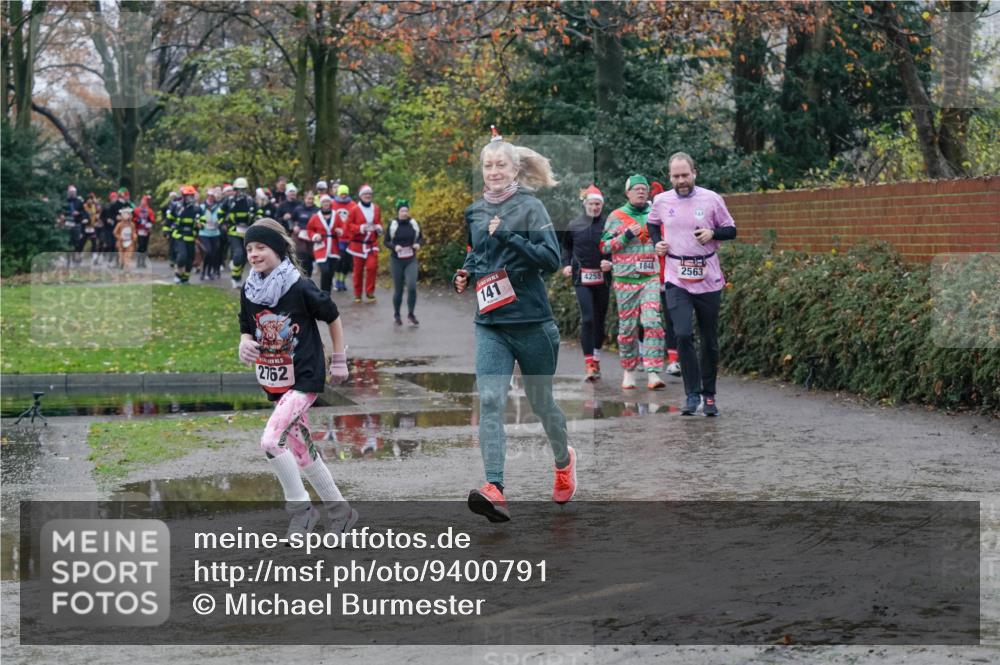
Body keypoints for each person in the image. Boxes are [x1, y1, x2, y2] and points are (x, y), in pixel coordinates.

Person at [452, 127, 576, 523]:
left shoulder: (529, 208)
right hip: (491, 323)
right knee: (489, 400)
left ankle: (563, 460)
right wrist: (466, 272)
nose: (493, 171)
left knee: (542, 405)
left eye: (500, 164)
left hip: (532, 321)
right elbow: (480, 255)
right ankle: (495, 488)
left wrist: (510, 236)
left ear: (515, 168)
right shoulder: (474, 211)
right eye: (487, 165)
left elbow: (551, 260)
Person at [237, 218, 357, 536]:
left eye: (260, 247)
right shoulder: (250, 290)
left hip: (304, 378)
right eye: (249, 248)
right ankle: (340, 512)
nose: (253, 254)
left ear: (277, 249)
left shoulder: (299, 286)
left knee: (270, 440)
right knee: (302, 451)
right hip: (276, 380)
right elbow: (246, 326)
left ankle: (301, 510)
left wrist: (340, 360)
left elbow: (332, 316)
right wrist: (244, 344)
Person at [651, 152, 737, 416]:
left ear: (694, 173)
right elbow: (653, 222)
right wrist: (658, 242)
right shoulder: (662, 200)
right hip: (677, 277)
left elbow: (731, 229)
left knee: (709, 339)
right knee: (684, 334)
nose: (681, 181)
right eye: (676, 176)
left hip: (708, 276)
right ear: (670, 177)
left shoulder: (711, 199)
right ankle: (691, 394)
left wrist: (713, 232)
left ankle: (709, 396)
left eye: (685, 175)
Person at [600, 175, 666, 391]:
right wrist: (625, 236)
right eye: (636, 189)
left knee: (652, 322)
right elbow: (604, 247)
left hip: (650, 278)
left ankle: (654, 372)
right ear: (627, 193)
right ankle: (629, 371)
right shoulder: (616, 216)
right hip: (625, 280)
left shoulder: (656, 214)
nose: (640, 192)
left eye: (644, 189)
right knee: (627, 327)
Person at [561, 185, 612, 381]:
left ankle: (596, 359)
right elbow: (566, 247)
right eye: (591, 203)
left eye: (598, 204)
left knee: (599, 320)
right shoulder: (574, 225)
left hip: (602, 279)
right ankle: (589, 363)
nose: (595, 207)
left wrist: (612, 262)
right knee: (588, 318)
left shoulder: (608, 225)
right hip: (580, 278)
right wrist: (566, 264)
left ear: (602, 205)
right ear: (585, 204)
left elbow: (617, 248)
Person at [385, 198, 422, 325]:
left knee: (412, 286)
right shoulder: (393, 224)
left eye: (406, 210)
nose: (404, 213)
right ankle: (397, 314)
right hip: (397, 260)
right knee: (399, 290)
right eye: (402, 211)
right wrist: (394, 247)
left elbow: (420, 237)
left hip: (411, 259)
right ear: (398, 212)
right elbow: (386, 241)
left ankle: (411, 314)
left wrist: (418, 244)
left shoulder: (413, 223)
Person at [347, 184, 382, 303]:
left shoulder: (376, 208)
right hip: (358, 245)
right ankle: (358, 294)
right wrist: (361, 228)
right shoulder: (354, 209)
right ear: (361, 196)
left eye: (369, 194)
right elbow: (349, 226)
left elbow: (378, 222)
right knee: (358, 270)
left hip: (371, 244)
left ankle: (370, 292)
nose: (368, 196)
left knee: (372, 267)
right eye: (365, 194)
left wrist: (378, 227)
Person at [307, 194, 345, 294]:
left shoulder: (336, 215)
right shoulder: (315, 217)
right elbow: (309, 230)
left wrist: (340, 230)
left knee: (331, 272)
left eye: (328, 202)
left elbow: (342, 227)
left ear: (330, 203)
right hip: (321, 247)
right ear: (321, 204)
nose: (326, 204)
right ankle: (323, 294)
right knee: (325, 270)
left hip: (333, 248)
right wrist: (315, 236)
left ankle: (327, 294)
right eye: (324, 202)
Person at [224, 177, 255, 288]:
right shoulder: (229, 201)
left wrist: (256, 219)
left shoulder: (250, 201)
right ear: (235, 189)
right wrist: (223, 223)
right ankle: (235, 278)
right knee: (238, 254)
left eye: (243, 190)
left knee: (244, 258)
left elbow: (258, 212)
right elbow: (220, 213)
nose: (241, 192)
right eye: (239, 189)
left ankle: (238, 276)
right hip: (234, 232)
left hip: (247, 233)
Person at [172, 185, 202, 284]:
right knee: (182, 256)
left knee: (190, 258)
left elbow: (203, 220)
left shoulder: (197, 209)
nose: (189, 198)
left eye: (191, 196)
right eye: (187, 196)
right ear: (183, 196)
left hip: (191, 237)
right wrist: (167, 231)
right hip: (179, 236)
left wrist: (200, 224)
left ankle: (185, 279)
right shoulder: (177, 207)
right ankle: (177, 274)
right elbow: (169, 220)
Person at [330, 184, 355, 292]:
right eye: (341, 194)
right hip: (337, 238)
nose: (343, 196)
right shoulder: (333, 204)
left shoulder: (353, 204)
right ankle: (336, 280)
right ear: (338, 194)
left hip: (349, 238)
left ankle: (343, 280)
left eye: (345, 194)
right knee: (339, 260)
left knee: (347, 261)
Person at [198, 188, 224, 280]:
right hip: (204, 233)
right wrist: (199, 223)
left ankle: (209, 272)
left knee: (214, 253)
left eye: (212, 196)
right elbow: (197, 217)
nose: (211, 198)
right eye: (209, 196)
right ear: (207, 196)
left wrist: (219, 222)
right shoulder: (201, 207)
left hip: (215, 233)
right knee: (208, 251)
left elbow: (222, 216)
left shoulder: (219, 207)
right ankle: (203, 271)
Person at [292, 189, 318, 278]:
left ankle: (308, 278)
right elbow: (292, 220)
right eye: (308, 199)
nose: (310, 201)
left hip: (311, 236)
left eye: (312, 199)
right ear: (305, 199)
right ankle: (299, 276)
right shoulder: (298, 209)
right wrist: (294, 226)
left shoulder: (317, 210)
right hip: (299, 236)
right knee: (301, 254)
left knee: (310, 257)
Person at [62, 185, 87, 264]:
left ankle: (76, 257)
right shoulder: (64, 201)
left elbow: (84, 212)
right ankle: (68, 259)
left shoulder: (79, 202)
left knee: (77, 241)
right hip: (67, 223)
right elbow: (60, 210)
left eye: (73, 192)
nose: (72, 194)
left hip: (76, 223)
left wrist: (78, 213)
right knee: (67, 241)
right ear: (68, 193)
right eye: (71, 192)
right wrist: (62, 215)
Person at [132, 195, 156, 268]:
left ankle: (143, 262)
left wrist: (150, 223)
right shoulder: (136, 210)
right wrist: (138, 221)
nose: (143, 203)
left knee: (145, 246)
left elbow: (153, 220)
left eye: (145, 202)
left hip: (146, 230)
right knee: (140, 246)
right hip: (138, 230)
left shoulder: (150, 211)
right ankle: (138, 262)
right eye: (142, 201)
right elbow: (133, 219)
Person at [83, 193, 101, 263]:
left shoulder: (95, 206)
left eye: (91, 199)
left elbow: (98, 213)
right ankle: (78, 256)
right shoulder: (84, 206)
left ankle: (94, 258)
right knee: (82, 242)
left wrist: (97, 218)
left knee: (94, 242)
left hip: (92, 227)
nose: (90, 201)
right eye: (89, 199)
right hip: (85, 227)